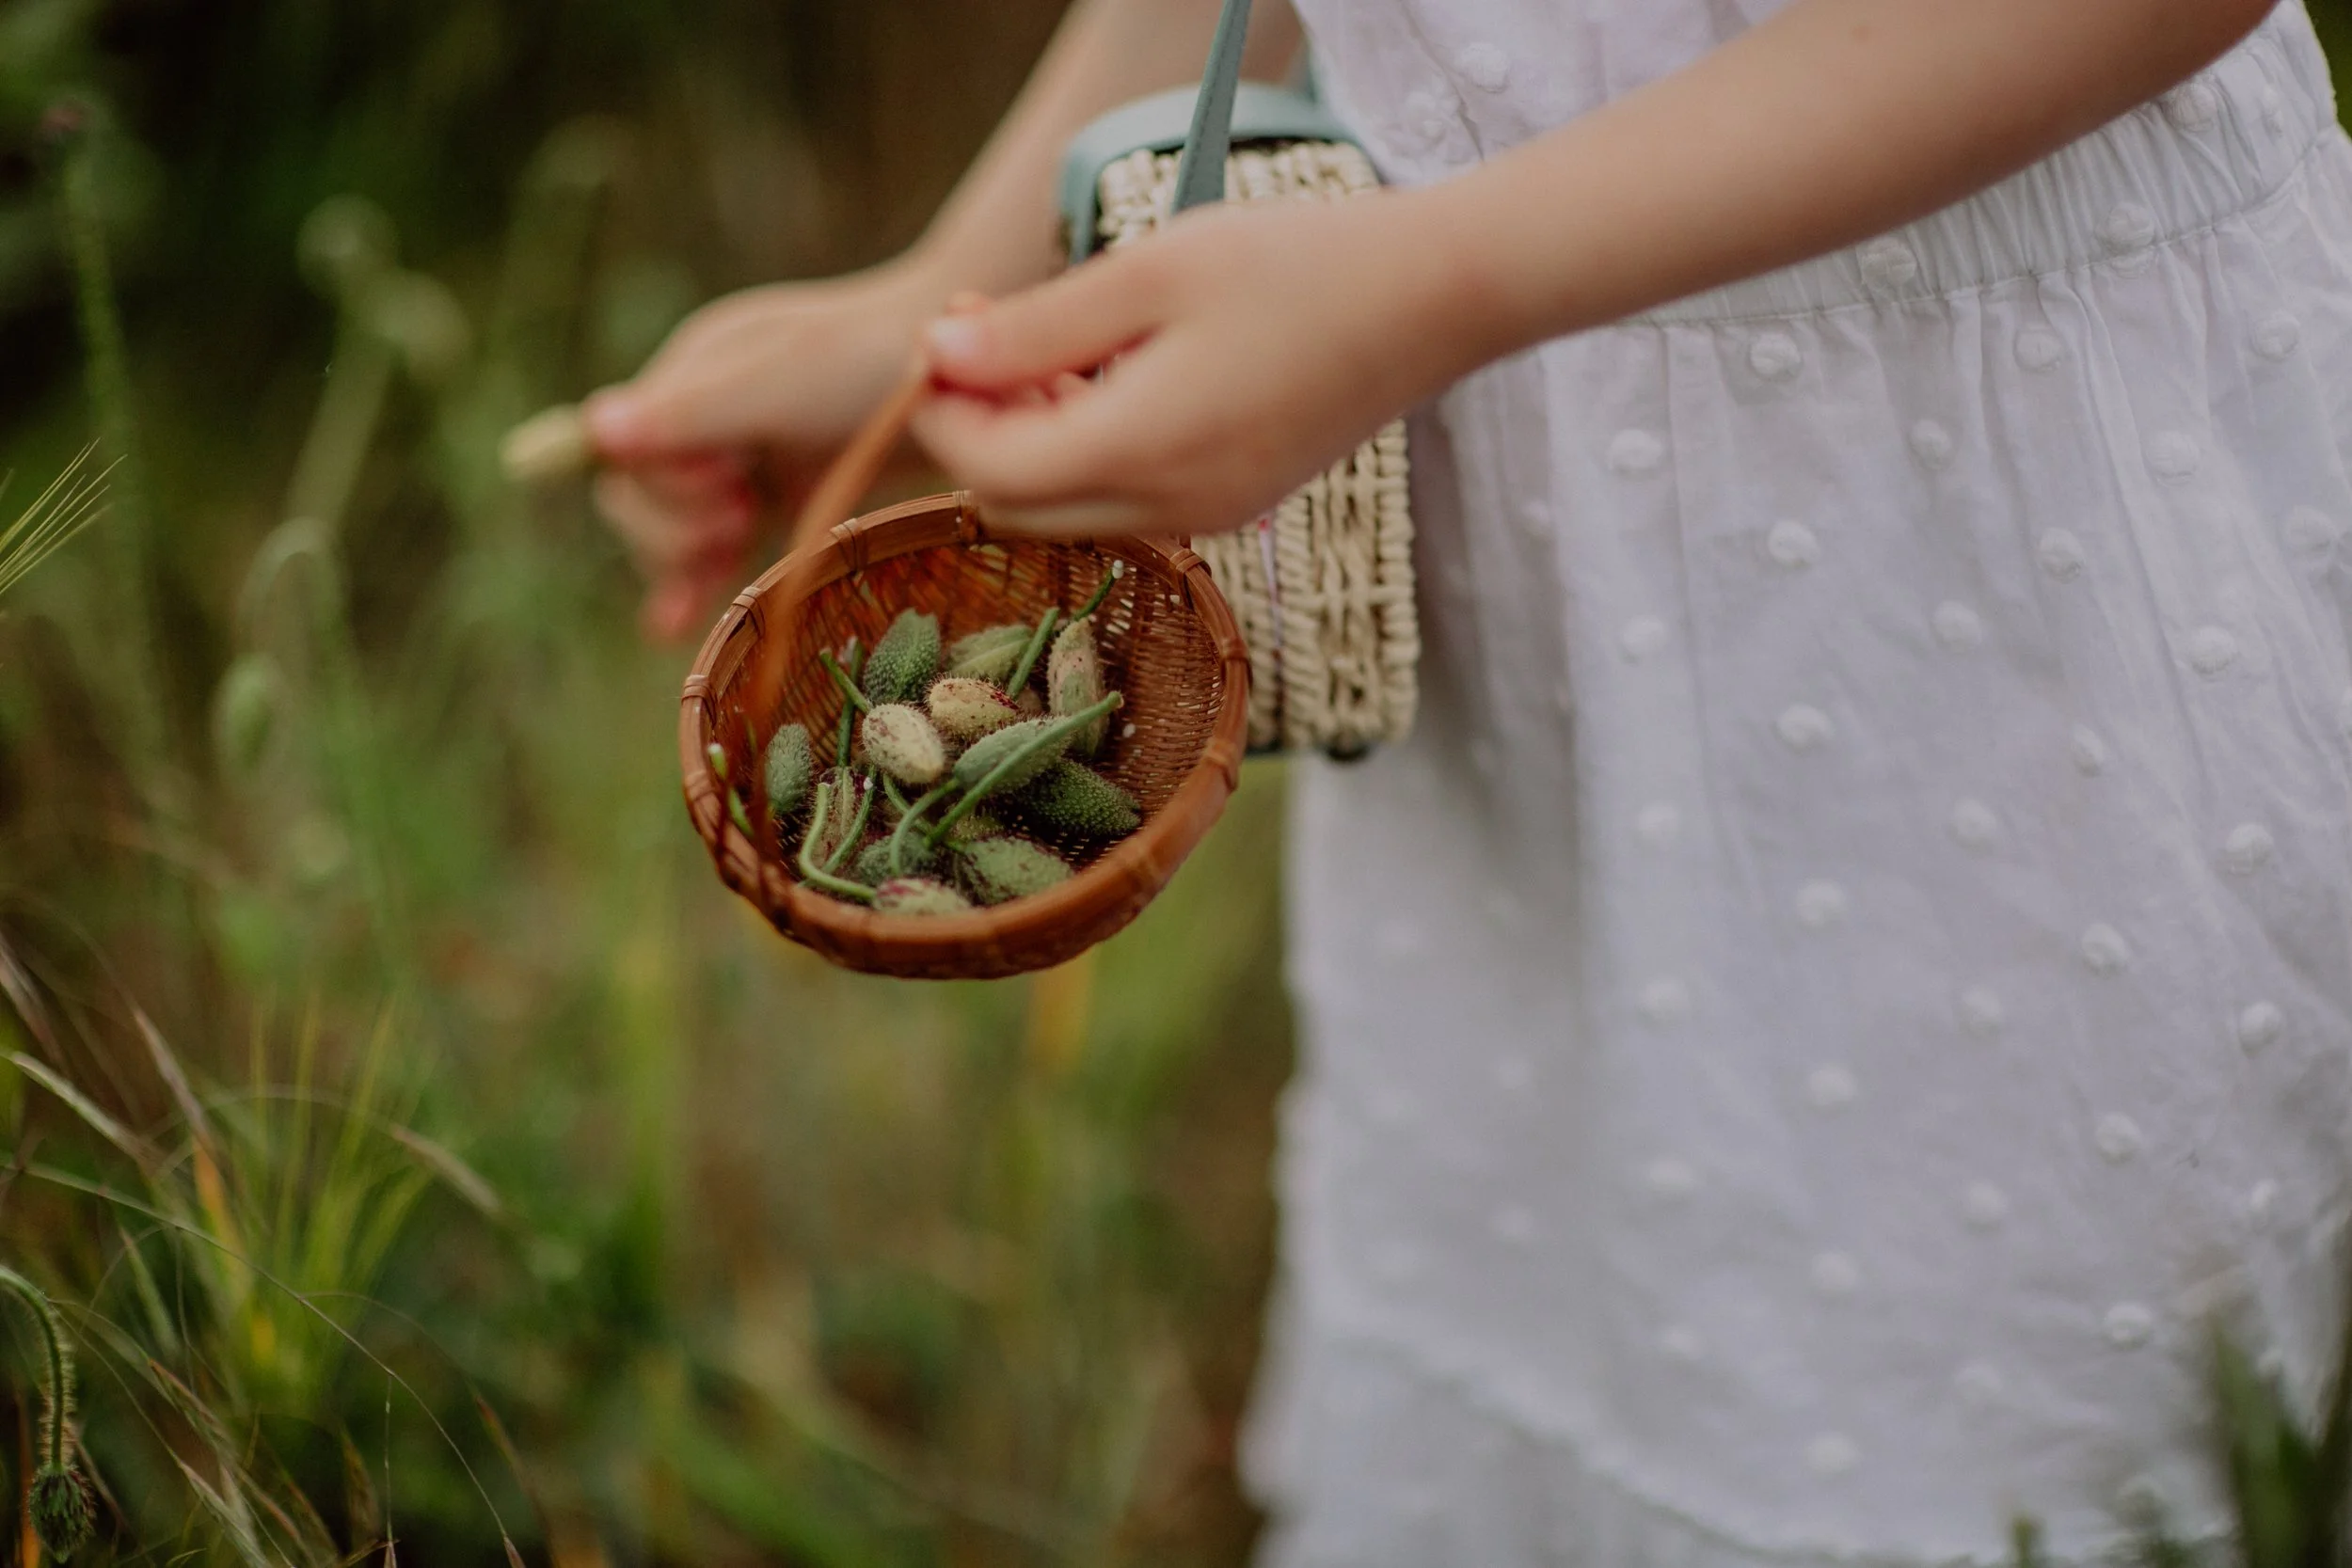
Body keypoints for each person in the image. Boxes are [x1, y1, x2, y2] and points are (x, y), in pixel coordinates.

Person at [584, 0, 2352, 1560]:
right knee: (1585, 1286)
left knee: (1948, 1387)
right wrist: (951, 295)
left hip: (1957, 533)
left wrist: (1439, 279)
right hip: (1527, 565)